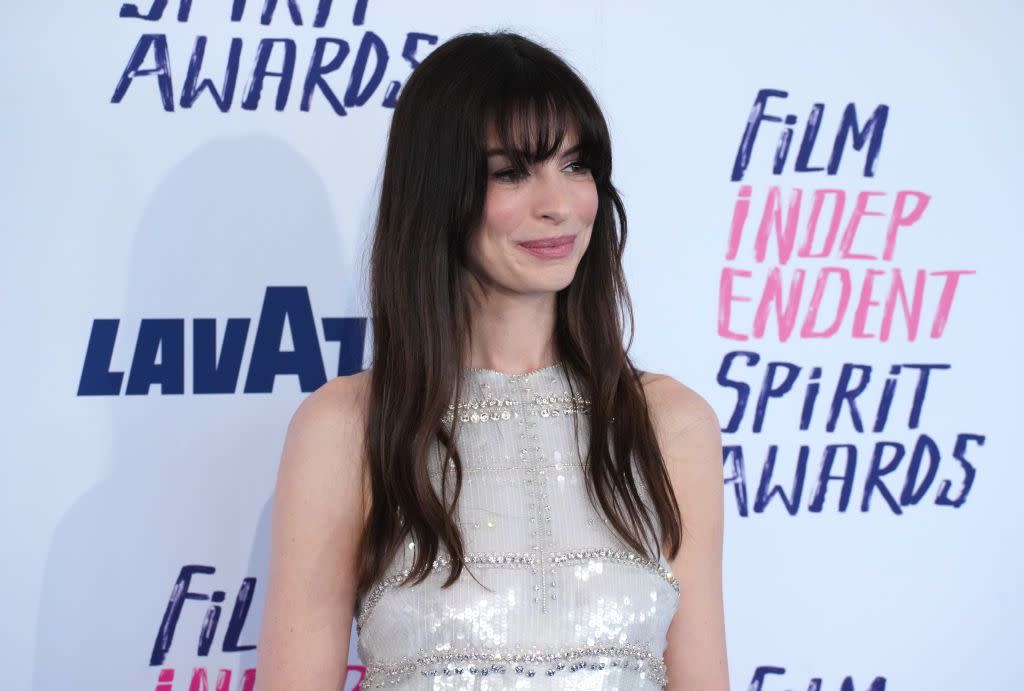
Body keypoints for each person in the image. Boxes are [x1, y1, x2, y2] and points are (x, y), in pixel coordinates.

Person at [255, 31, 728, 690]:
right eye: (512, 171)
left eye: (576, 164)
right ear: (439, 192)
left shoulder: (670, 424)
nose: (558, 204)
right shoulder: (346, 428)